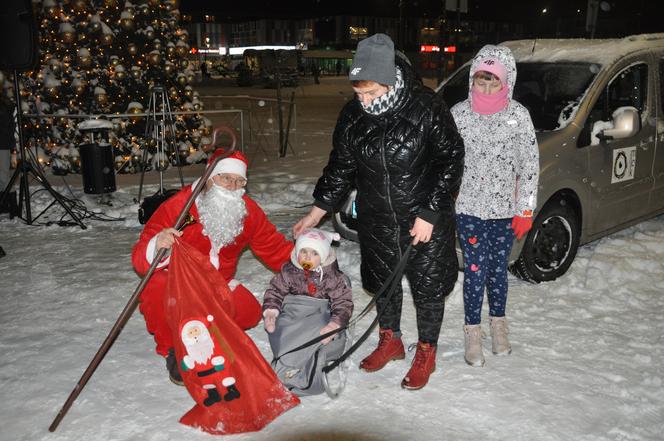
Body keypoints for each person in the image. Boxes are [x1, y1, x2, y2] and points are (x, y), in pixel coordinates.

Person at [293, 33, 464, 390]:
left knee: (428, 287)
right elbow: (340, 166)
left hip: (424, 219)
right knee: (383, 282)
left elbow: (451, 160)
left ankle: (426, 350)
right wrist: (316, 212)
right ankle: (391, 340)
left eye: (371, 92)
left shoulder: (427, 107)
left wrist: (431, 212)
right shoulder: (354, 115)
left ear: (390, 79)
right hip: (378, 219)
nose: (364, 101)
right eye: (359, 93)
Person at [131, 149, 294, 384]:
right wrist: (158, 245)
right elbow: (139, 258)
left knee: (249, 313)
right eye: (226, 178)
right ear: (209, 177)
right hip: (178, 284)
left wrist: (308, 265)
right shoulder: (179, 207)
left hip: (217, 284)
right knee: (154, 286)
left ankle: (204, 327)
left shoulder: (246, 210)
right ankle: (175, 348)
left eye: (239, 181)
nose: (232, 186)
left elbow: (273, 247)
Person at [450, 45, 539, 367]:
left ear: (506, 82)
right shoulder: (459, 114)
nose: (486, 88)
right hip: (469, 208)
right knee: (475, 269)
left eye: (493, 82)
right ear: (472, 80)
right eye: (480, 81)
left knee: (498, 270)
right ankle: (472, 331)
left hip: (505, 209)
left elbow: (529, 165)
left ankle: (498, 324)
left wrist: (525, 209)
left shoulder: (517, 116)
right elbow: (447, 162)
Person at [263, 228, 353, 344]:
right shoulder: (289, 272)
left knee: (318, 335)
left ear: (323, 257)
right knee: (282, 330)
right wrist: (271, 311)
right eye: (303, 251)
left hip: (321, 315)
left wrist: (334, 324)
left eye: (315, 253)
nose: (307, 257)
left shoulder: (332, 278)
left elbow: (343, 302)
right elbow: (275, 290)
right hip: (297, 313)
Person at [0, 94, 15, 193]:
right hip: (3, 143)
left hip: (2, 144)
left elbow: (6, 125)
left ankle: (8, 204)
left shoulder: (4, 105)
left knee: (3, 177)